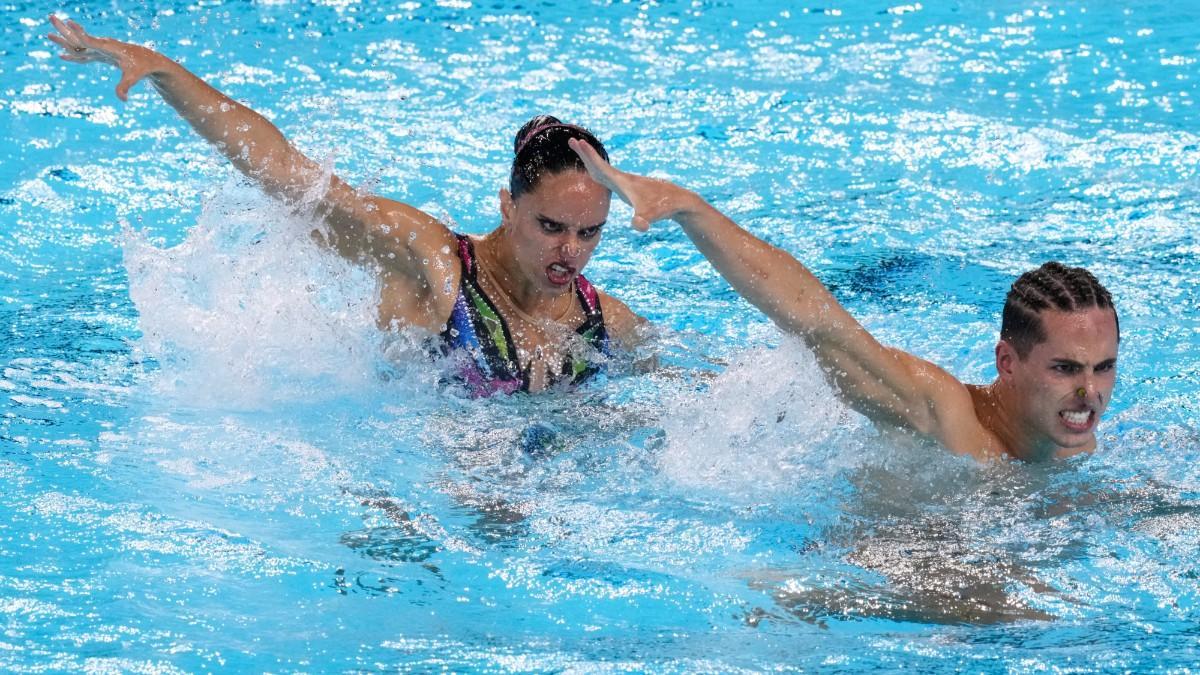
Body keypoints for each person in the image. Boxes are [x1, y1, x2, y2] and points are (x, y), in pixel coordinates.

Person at [46, 16, 645, 396]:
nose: (571, 251)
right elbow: (286, 174)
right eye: (550, 225)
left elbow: (711, 392)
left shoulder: (603, 322)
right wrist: (164, 73)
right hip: (411, 480)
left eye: (591, 232)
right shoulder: (434, 263)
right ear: (506, 207)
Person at [567, 139, 1119, 462]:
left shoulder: (1074, 440)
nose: (1089, 393)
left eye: (1104, 367)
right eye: (1066, 368)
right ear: (1007, 362)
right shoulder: (945, 418)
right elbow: (818, 320)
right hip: (845, 581)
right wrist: (689, 208)